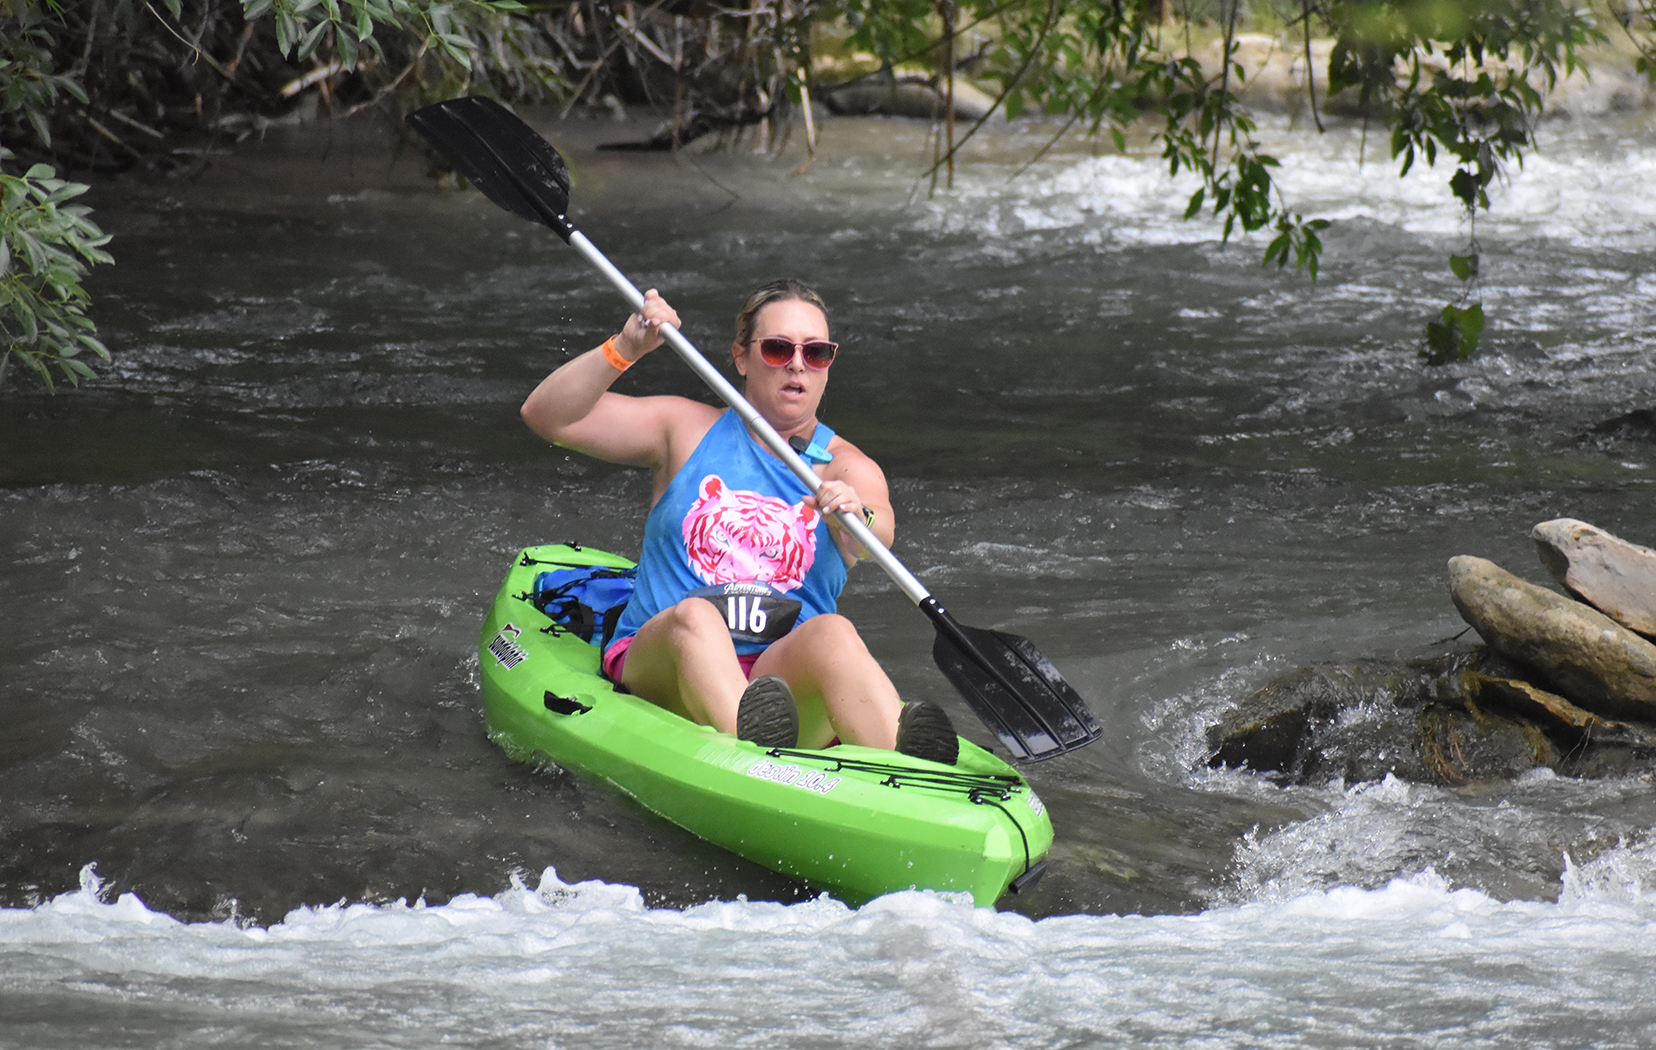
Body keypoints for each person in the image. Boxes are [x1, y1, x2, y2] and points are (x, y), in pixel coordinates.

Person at [519, 278, 959, 764]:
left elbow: (879, 533)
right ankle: (755, 752)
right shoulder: (685, 429)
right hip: (667, 660)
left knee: (833, 632)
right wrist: (625, 348)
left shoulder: (845, 468)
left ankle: (906, 762)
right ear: (742, 357)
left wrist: (856, 515)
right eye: (778, 348)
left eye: (816, 353)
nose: (797, 364)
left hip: (780, 675)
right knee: (695, 617)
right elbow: (548, 417)